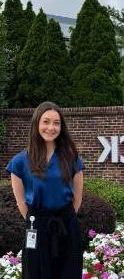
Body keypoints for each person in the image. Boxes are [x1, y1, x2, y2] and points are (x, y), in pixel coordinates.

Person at [6, 101, 84, 279]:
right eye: (46, 121)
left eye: (56, 123)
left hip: (66, 225)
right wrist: (38, 220)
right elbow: (21, 203)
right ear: (37, 124)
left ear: (61, 127)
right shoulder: (19, 162)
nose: (51, 127)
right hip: (37, 227)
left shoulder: (72, 158)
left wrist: (65, 217)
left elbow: (77, 198)